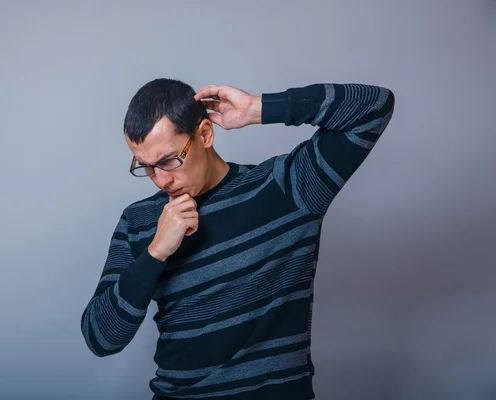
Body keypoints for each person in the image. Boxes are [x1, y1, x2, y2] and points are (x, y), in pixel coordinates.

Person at [81, 78, 395, 399]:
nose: (161, 180)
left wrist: (260, 108)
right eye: (146, 167)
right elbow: (101, 338)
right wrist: (156, 253)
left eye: (168, 161)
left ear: (204, 134)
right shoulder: (140, 221)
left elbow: (373, 106)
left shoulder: (288, 188)